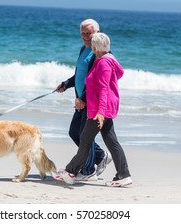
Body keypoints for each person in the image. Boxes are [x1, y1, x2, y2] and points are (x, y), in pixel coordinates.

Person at [54, 32, 132, 187]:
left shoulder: (103, 63)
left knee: (85, 139)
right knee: (111, 141)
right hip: (102, 109)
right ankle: (124, 175)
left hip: (100, 110)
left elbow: (103, 89)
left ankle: (71, 172)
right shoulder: (105, 60)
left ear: (96, 47)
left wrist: (101, 112)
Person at [55, 19, 112, 180]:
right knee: (74, 133)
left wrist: (84, 98)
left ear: (97, 32)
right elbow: (80, 75)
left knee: (85, 137)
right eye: (83, 33)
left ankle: (88, 170)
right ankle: (100, 156)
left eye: (89, 33)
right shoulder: (83, 49)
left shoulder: (98, 52)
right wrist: (66, 84)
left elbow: (96, 82)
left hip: (90, 102)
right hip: (80, 101)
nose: (86, 36)